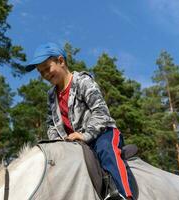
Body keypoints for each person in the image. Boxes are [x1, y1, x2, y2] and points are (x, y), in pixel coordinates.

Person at [25, 42, 134, 200]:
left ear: (61, 61)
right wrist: (59, 145)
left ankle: (123, 195)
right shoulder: (51, 95)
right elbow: (52, 125)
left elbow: (101, 111)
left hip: (101, 133)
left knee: (106, 150)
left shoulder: (82, 82)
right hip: (74, 143)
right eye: (41, 72)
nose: (45, 75)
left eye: (47, 68)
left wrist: (85, 135)